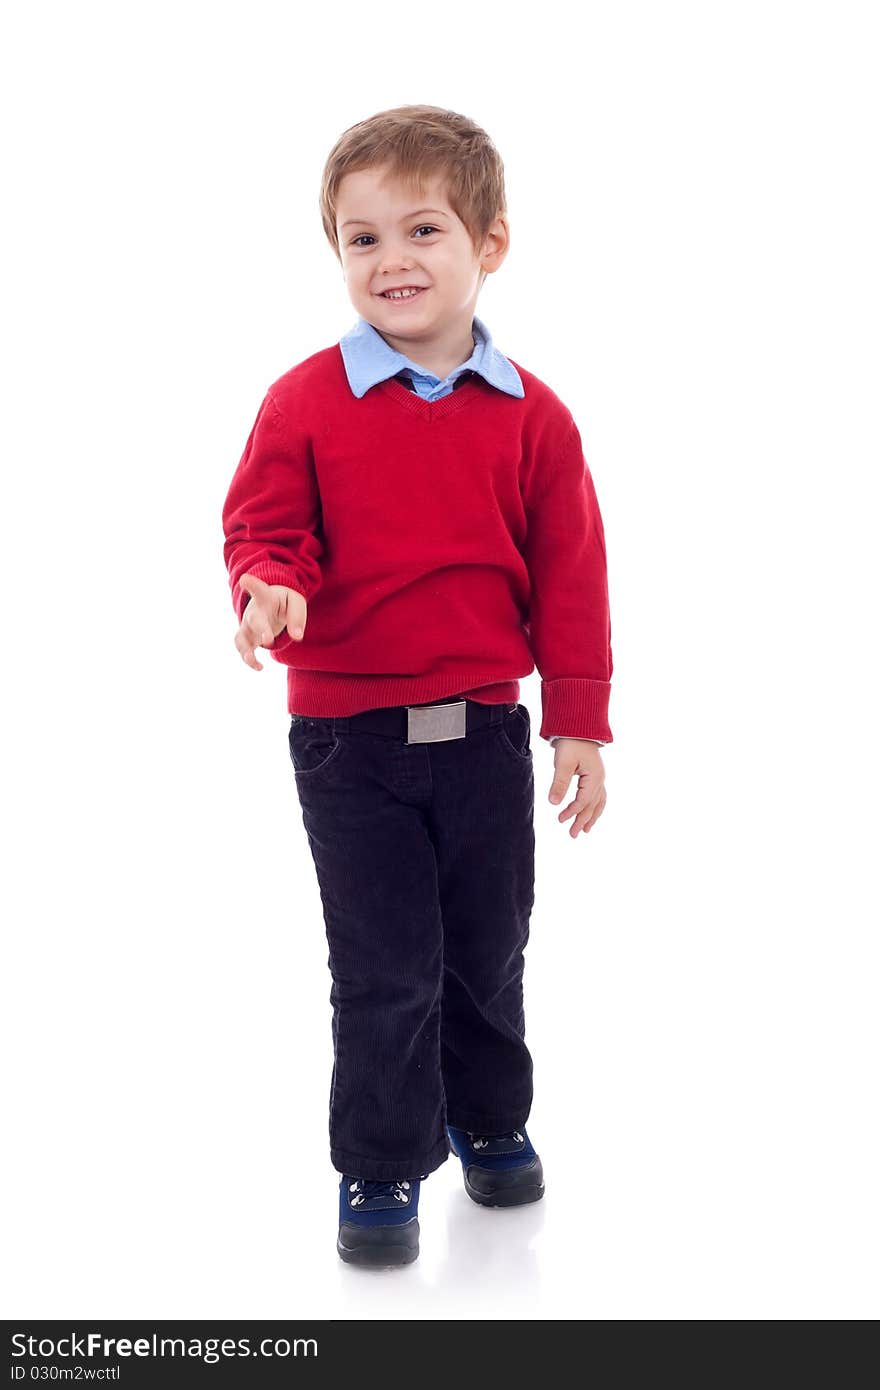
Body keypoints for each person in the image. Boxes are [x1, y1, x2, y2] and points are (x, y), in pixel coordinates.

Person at [221, 104, 613, 1268]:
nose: (391, 260)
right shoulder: (304, 401)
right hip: (349, 743)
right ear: (336, 252)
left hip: (488, 733)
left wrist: (580, 722)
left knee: (489, 948)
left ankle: (490, 1115)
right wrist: (267, 584)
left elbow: (572, 573)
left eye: (423, 230)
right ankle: (382, 1158)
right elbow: (265, 525)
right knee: (387, 964)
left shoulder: (533, 415)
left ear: (490, 243)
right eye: (361, 238)